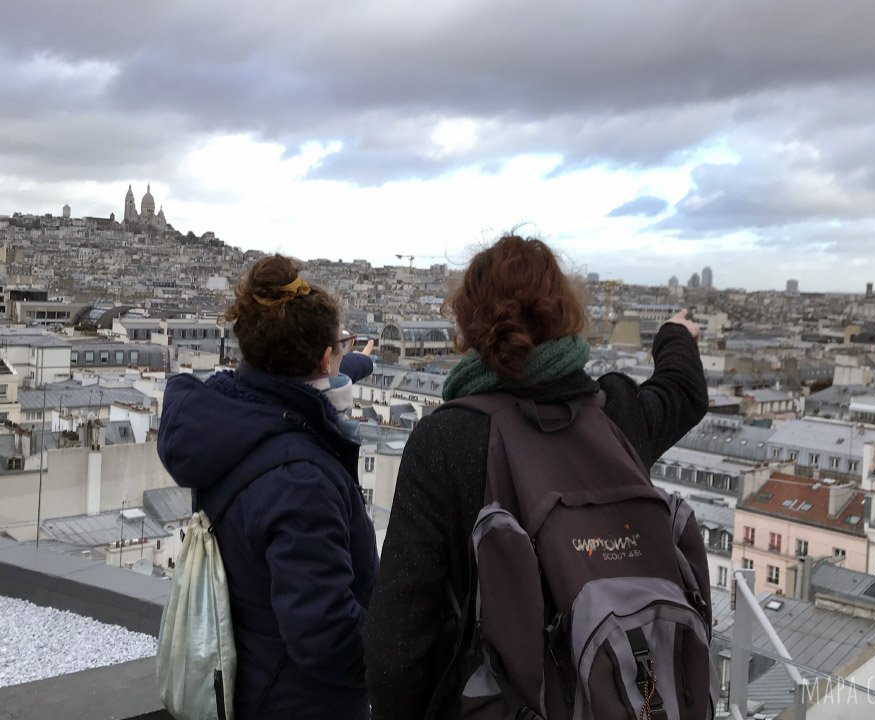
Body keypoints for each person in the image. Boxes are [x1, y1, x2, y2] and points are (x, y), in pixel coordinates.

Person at [364, 234, 709, 720]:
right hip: (615, 692)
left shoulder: (447, 439)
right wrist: (675, 334)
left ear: (468, 323)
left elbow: (397, 648)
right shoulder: (616, 416)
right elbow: (684, 391)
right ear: (564, 313)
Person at [158, 254, 378, 720]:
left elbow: (309, 381)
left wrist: (353, 360)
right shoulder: (302, 479)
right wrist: (403, 650)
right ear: (323, 358)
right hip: (302, 704)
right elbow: (327, 635)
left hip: (246, 683)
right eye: (340, 345)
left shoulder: (234, 423)